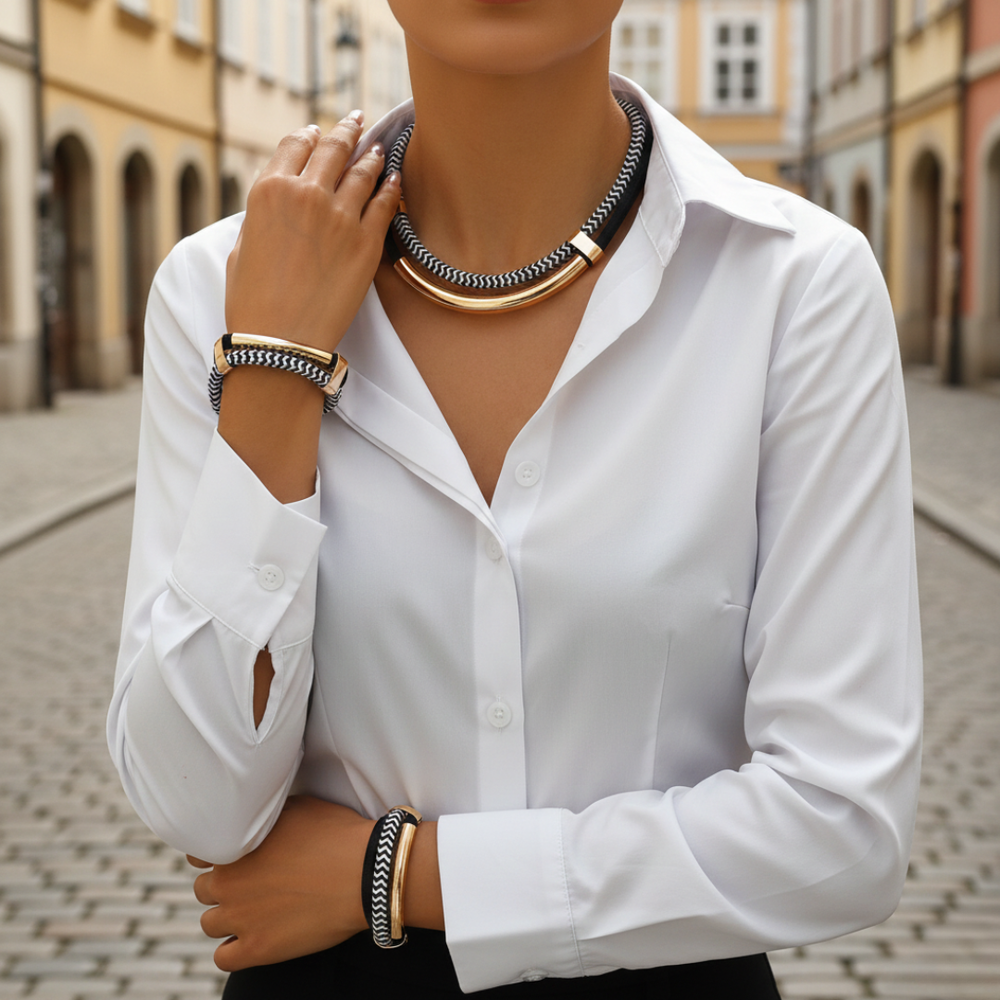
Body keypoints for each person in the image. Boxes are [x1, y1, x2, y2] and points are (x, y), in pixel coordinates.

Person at [108, 1, 923, 996]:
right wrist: (277, 367)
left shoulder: (794, 286)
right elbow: (198, 802)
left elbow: (841, 829)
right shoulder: (218, 286)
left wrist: (401, 874)